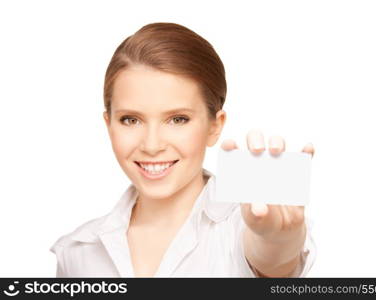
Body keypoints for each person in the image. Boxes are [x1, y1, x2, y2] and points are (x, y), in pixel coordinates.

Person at [49, 22, 316, 277]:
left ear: (215, 125)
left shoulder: (242, 226)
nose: (152, 145)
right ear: (109, 125)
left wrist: (278, 239)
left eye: (178, 119)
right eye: (131, 119)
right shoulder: (76, 253)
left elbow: (273, 260)